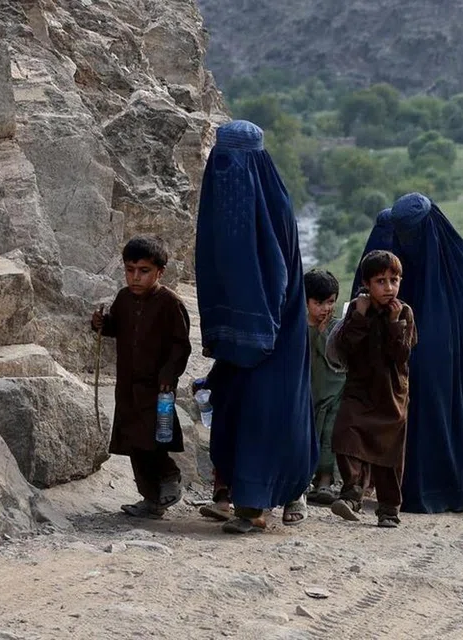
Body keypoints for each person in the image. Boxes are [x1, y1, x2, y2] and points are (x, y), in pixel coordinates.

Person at [195, 120, 317, 534]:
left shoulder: (273, 206)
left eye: (236, 162)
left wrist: (260, 327)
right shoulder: (225, 198)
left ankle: (255, 506)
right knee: (233, 409)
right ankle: (236, 495)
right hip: (237, 332)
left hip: (276, 329)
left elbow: (275, 275)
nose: (228, 170)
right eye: (222, 161)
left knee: (265, 411)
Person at [353, 193, 463, 514]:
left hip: (456, 357)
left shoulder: (457, 256)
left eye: (413, 233)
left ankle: (462, 488)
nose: (408, 241)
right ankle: (415, 490)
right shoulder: (402, 257)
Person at [92, 236, 192, 519]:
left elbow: (181, 345)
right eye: (130, 269)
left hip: (156, 388)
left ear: (160, 272)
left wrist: (168, 376)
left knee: (154, 439)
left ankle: (170, 477)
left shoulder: (170, 303)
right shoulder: (124, 299)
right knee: (135, 443)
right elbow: (116, 327)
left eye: (144, 271)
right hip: (127, 386)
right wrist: (100, 323)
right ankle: (151, 499)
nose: (135, 277)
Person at [330, 250, 417, 528]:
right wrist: (360, 317)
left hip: (392, 394)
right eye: (381, 281)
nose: (389, 287)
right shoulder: (357, 308)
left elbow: (402, 356)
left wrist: (394, 324)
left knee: (389, 454)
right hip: (360, 390)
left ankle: (388, 510)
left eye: (394, 280)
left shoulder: (404, 312)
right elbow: (344, 348)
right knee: (345, 434)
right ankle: (353, 491)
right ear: (367, 283)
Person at [303, 269, 346, 506]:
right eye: (318, 302)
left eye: (330, 302)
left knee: (329, 436)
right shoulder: (298, 327)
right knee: (309, 435)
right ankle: (302, 480)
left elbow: (337, 358)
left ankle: (325, 483)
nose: (325, 309)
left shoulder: (337, 328)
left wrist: (323, 332)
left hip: (334, 392)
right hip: (308, 394)